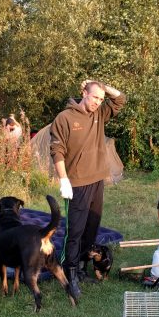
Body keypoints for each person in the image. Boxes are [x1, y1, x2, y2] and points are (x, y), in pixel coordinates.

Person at [50, 79, 126, 298]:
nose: (97, 103)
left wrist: (103, 87)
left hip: (97, 180)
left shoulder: (99, 114)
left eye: (101, 99)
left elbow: (120, 99)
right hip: (77, 183)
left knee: (91, 228)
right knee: (74, 232)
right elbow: (57, 151)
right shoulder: (64, 118)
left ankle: (82, 268)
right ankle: (70, 274)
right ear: (83, 92)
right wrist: (63, 180)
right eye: (94, 97)